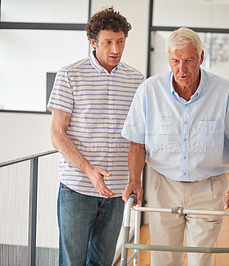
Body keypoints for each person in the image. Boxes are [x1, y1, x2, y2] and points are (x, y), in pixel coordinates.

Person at [121, 27, 229, 266]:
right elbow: (137, 143)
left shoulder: (225, 93)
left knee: (200, 261)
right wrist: (134, 180)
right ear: (168, 59)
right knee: (163, 259)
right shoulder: (149, 91)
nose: (181, 69)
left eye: (189, 60)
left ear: (201, 58)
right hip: (163, 185)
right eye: (175, 61)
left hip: (209, 188)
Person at [47, 7, 144, 266]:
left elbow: (138, 137)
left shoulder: (136, 80)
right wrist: (89, 170)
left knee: (102, 262)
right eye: (108, 42)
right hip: (77, 187)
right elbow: (57, 134)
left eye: (120, 41)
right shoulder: (70, 75)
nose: (116, 49)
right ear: (93, 42)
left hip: (117, 192)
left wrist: (135, 179)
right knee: (72, 261)